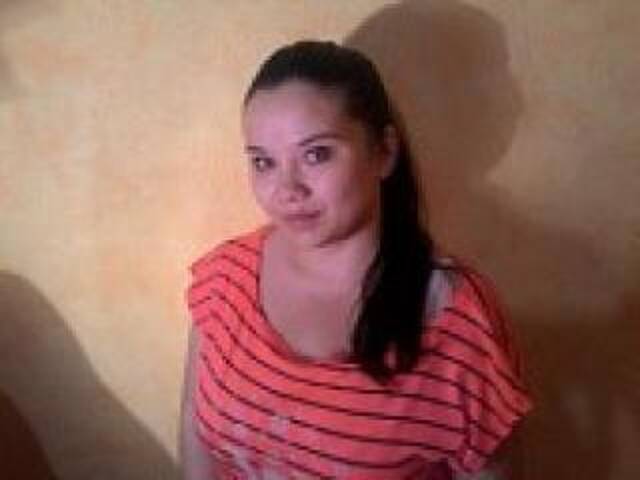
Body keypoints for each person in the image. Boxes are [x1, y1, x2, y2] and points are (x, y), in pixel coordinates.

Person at [181, 40, 532, 479]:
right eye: (263, 162)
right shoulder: (224, 279)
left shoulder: (457, 319)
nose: (287, 190)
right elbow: (196, 434)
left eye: (316, 154)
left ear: (384, 152)